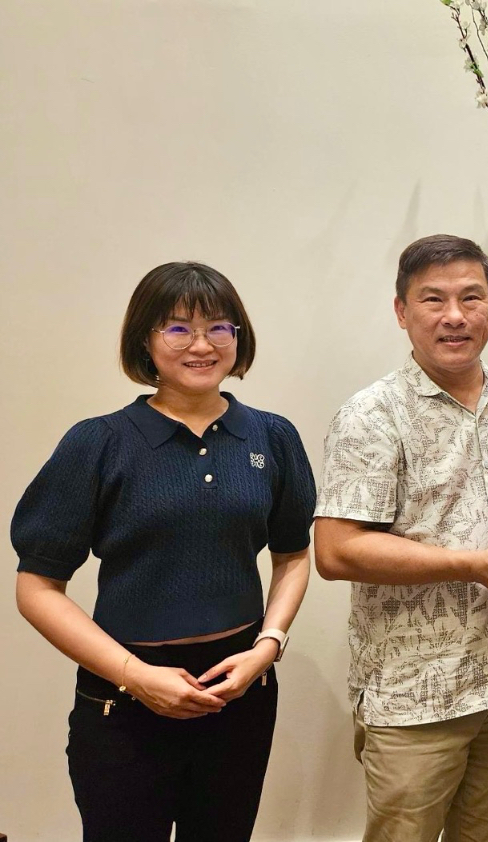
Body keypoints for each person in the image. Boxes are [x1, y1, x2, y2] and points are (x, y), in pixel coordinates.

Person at [12, 262, 316, 842]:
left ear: (238, 337)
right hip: (123, 696)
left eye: (218, 328)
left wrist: (267, 648)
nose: (201, 345)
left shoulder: (272, 437)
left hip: (239, 692)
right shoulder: (98, 442)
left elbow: (293, 555)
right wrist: (135, 676)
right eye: (178, 329)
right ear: (145, 341)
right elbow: (36, 587)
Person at [314, 234, 488, 842]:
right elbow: (336, 550)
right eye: (433, 300)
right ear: (402, 312)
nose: (455, 316)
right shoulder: (371, 414)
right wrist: (472, 565)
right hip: (412, 694)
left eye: (472, 297)